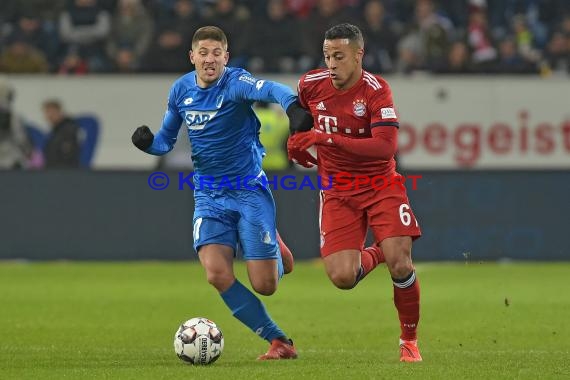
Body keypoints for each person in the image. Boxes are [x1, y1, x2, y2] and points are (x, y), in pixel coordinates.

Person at [131, 26, 313, 360]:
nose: (210, 59)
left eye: (216, 53)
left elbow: (271, 89)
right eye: (203, 53)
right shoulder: (181, 89)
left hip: (248, 192)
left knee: (265, 285)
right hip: (208, 195)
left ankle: (274, 244)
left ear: (225, 57)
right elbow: (166, 142)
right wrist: (148, 144)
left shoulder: (236, 83)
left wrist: (292, 106)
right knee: (216, 273)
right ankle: (280, 342)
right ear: (193, 57)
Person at [287, 23, 423, 362]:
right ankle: (379, 250)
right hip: (336, 190)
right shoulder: (310, 85)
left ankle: (409, 340)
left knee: (401, 263)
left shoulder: (377, 90)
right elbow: (299, 118)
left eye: (339, 56)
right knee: (343, 277)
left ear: (358, 55)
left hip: (380, 185)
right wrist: (295, 143)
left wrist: (324, 139)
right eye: (327, 56)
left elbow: (384, 147)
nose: (331, 64)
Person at [42, 99, 81, 169]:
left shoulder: (68, 129)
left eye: (52, 112)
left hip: (64, 173)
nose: (49, 116)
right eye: (47, 112)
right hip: (55, 173)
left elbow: (67, 155)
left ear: (59, 112)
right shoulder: (54, 132)